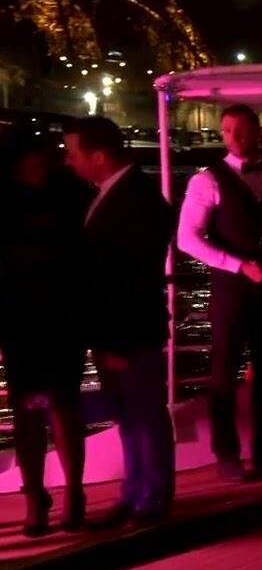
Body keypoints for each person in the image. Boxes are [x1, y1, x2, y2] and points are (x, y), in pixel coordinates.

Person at [65, 117, 176, 527]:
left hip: (128, 331)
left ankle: (151, 496)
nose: (69, 162)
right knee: (132, 414)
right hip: (120, 328)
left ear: (98, 156)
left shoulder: (136, 202)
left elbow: (128, 278)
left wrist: (114, 340)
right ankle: (138, 491)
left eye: (73, 154)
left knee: (143, 413)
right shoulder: (120, 195)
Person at [177, 104, 262, 482]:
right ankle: (226, 455)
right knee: (223, 372)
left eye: (240, 129)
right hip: (231, 289)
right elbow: (187, 239)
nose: (233, 137)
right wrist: (237, 265)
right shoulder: (207, 180)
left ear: (258, 132)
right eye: (226, 130)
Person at [1, 132, 91, 534]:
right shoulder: (7, 200)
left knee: (63, 406)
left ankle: (71, 492)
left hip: (62, 316)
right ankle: (36, 494)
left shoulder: (71, 195)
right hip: (20, 319)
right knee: (28, 410)